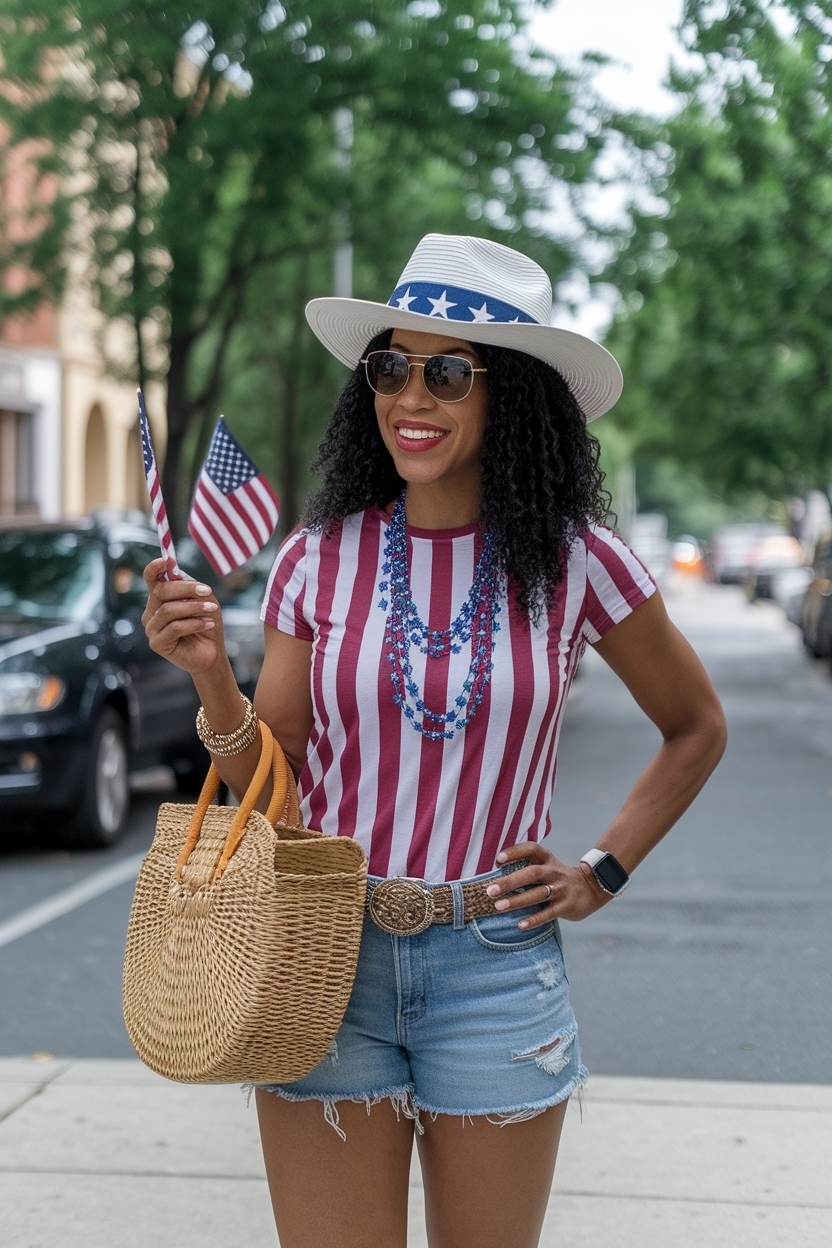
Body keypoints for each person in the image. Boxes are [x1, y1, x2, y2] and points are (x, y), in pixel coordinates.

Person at [141, 234, 727, 1248]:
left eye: (448, 372)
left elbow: (695, 728)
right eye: (389, 368)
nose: (411, 397)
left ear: (516, 397)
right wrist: (206, 674)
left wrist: (600, 870)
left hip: (496, 959)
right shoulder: (317, 561)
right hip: (322, 953)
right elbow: (266, 788)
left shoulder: (578, 564)